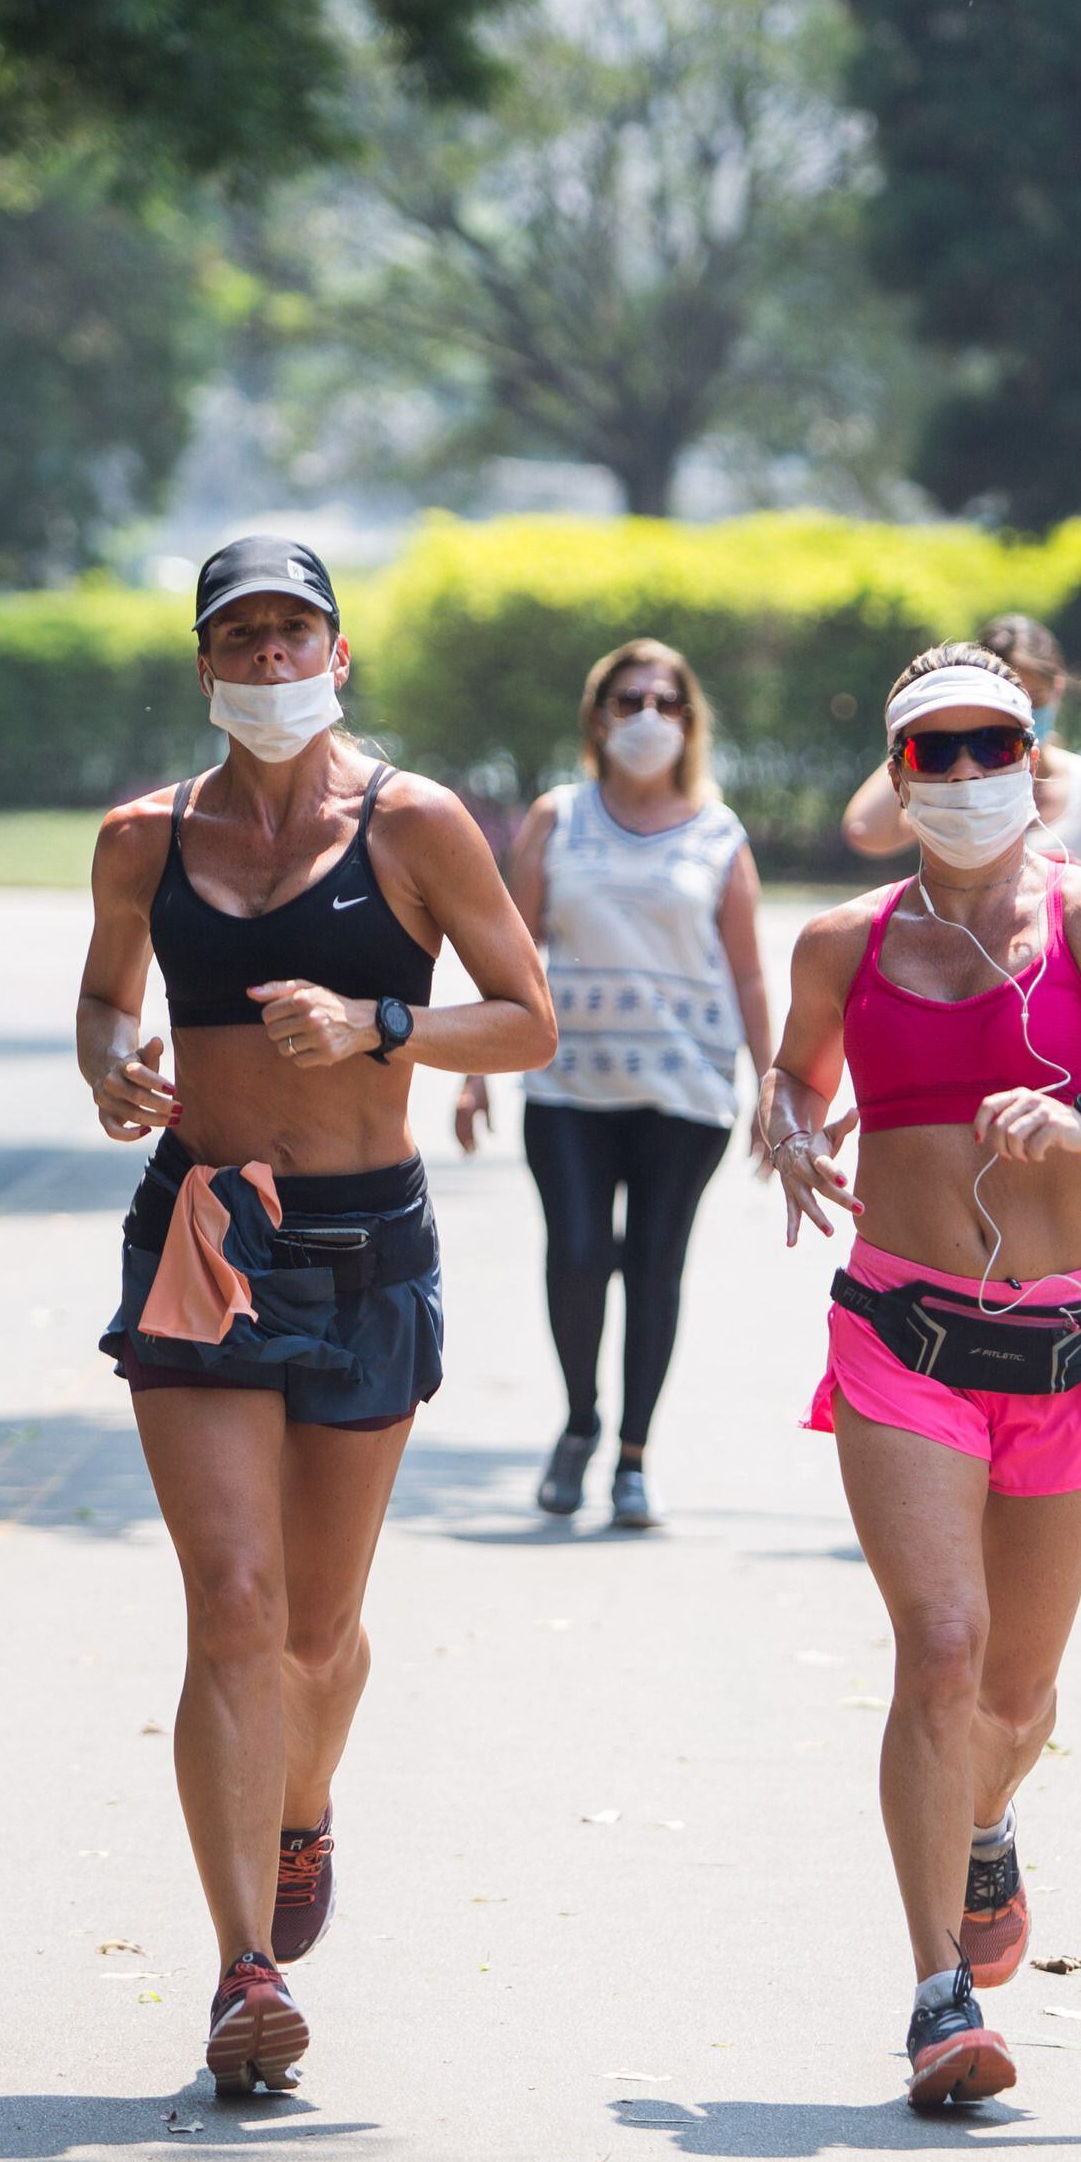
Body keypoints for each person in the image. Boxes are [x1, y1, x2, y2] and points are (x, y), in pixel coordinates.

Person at [77, 534, 557, 2094]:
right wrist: (112, 1061)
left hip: (363, 1249)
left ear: (338, 657)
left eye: (297, 637)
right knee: (230, 1602)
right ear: (205, 666)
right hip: (205, 1232)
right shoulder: (142, 839)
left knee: (317, 1634)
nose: (270, 663)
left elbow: (530, 1020)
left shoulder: (413, 823)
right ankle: (241, 1973)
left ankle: (302, 1805)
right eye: (243, 640)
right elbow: (102, 995)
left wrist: (380, 1022)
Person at [759, 645, 1081, 2108]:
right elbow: (796, 1077)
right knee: (947, 1647)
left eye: (995, 749)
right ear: (899, 775)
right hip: (901, 1335)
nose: (969, 775)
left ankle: (981, 1826)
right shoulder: (842, 943)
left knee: (1022, 1698)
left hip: (1063, 1344)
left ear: (1034, 762)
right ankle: (937, 2000)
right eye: (938, 752)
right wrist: (789, 1127)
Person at [456, 638, 772, 1528]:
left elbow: (748, 973)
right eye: (628, 700)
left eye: (666, 702)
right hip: (566, 1084)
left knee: (655, 1265)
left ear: (690, 720)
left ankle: (634, 1454)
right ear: (598, 716)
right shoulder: (557, 818)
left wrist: (772, 1084)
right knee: (581, 1253)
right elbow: (512, 950)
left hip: (687, 1088)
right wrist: (478, 1073)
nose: (647, 718)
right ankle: (580, 1422)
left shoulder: (718, 832)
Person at [840, 613, 1081, 893]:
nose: (1025, 711)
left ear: (1059, 690)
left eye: (1036, 699)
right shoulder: (954, 788)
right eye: (1005, 704)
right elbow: (864, 831)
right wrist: (926, 737)